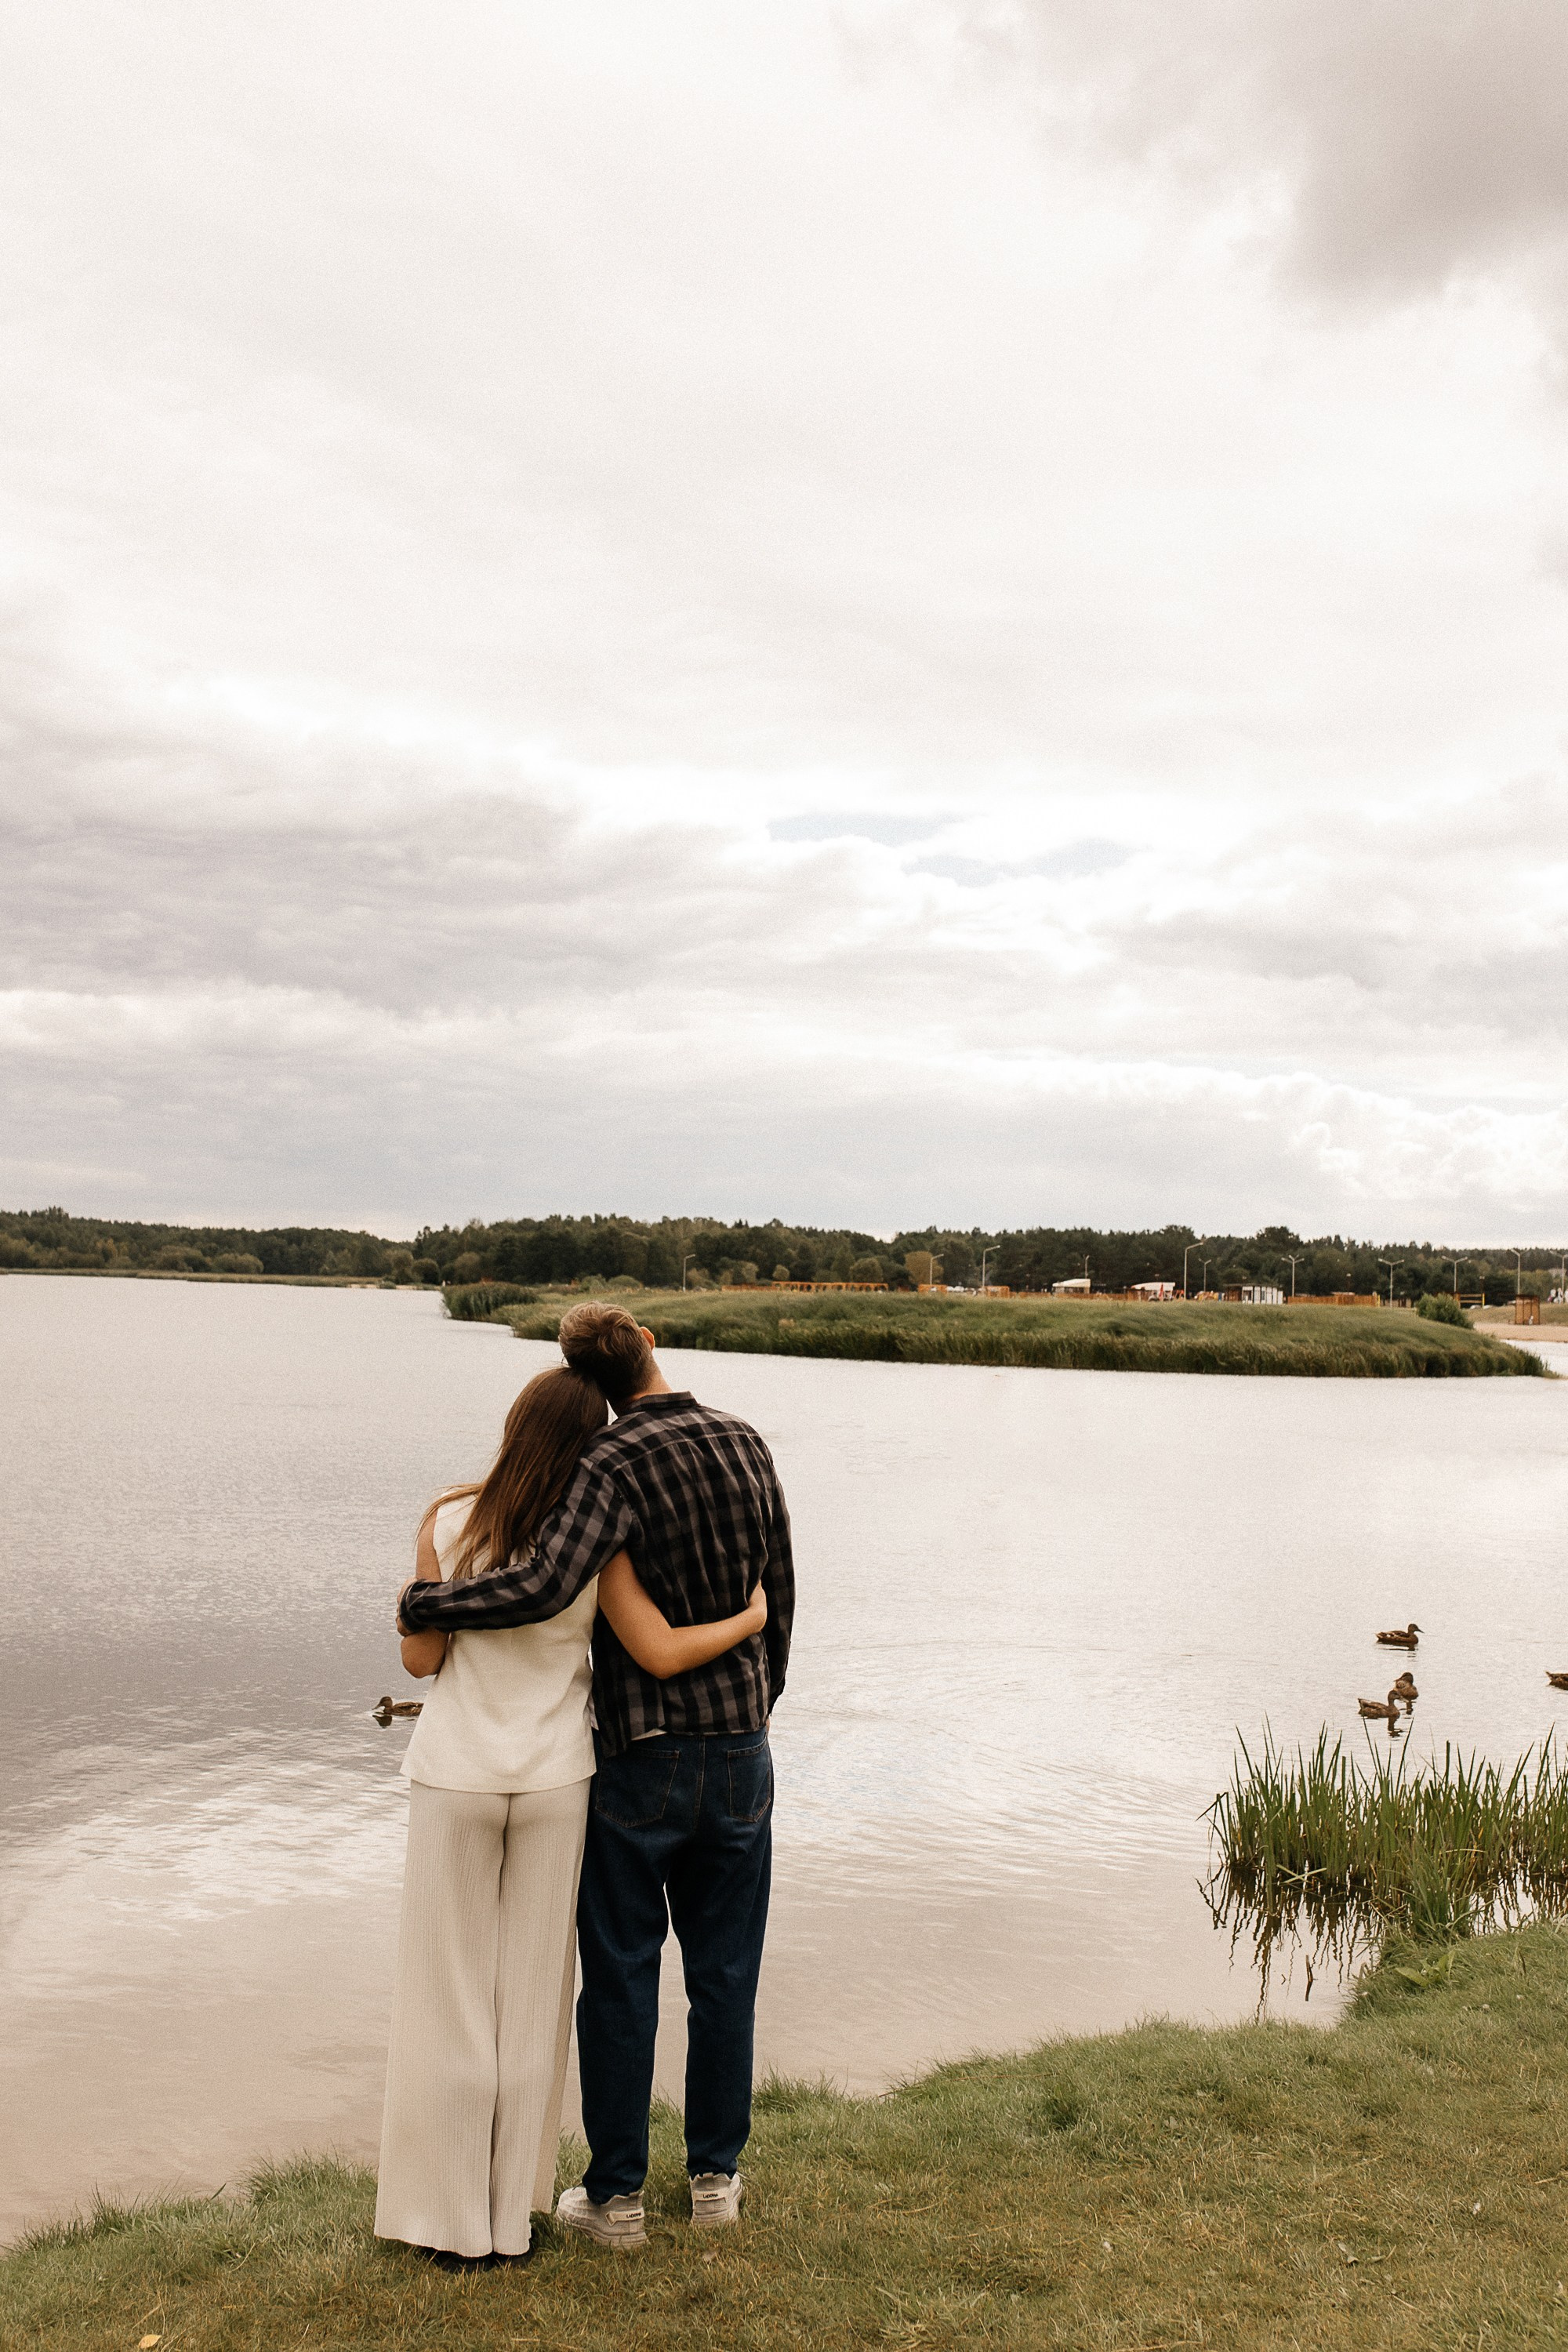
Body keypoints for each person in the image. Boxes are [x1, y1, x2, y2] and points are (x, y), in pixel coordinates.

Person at [400, 1300, 793, 2252]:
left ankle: (615, 2199)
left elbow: (540, 1584)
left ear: (586, 1379)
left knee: (618, 1977)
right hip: (741, 1751)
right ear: (648, 1349)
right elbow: (778, 1596)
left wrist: (427, 1599)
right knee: (725, 1974)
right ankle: (714, 2180)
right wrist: (753, 1709)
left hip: (639, 1755)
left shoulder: (608, 1464)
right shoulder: (746, 1441)